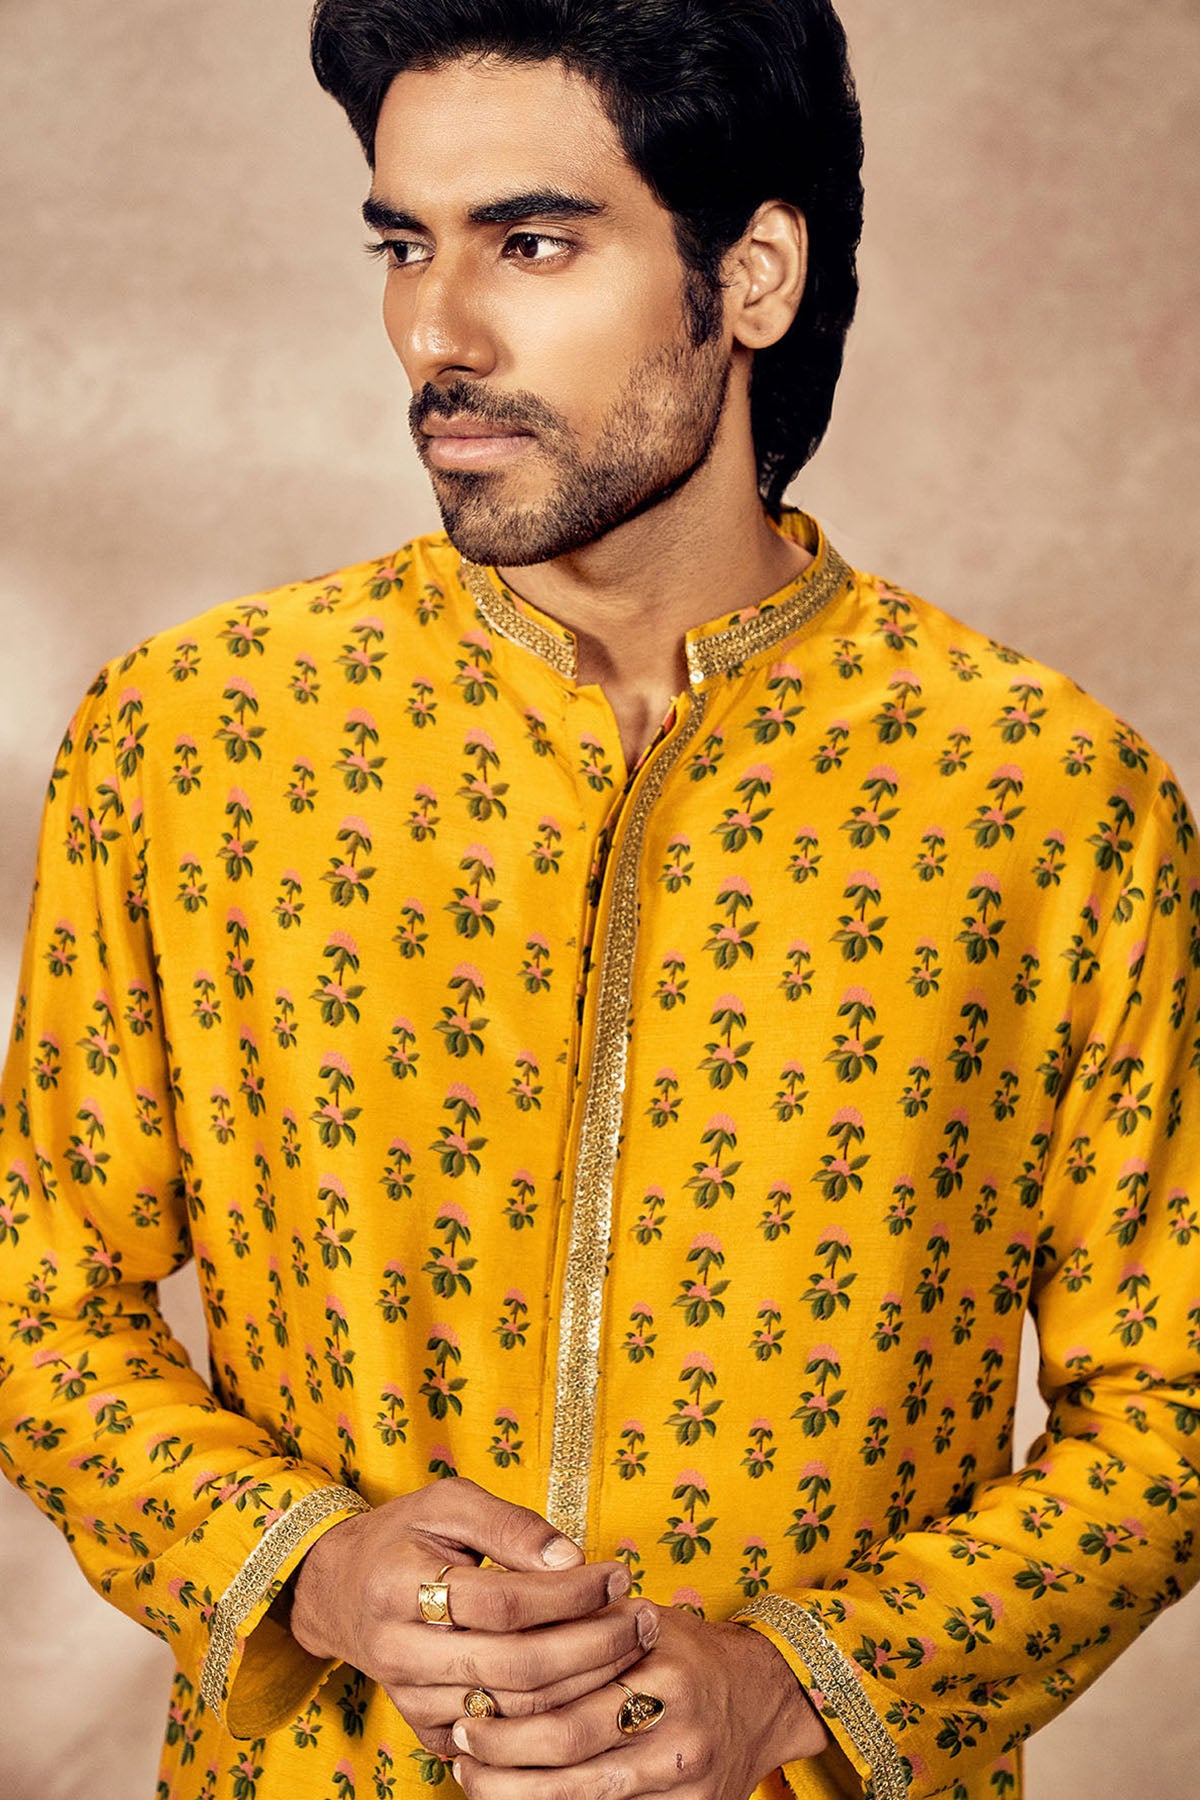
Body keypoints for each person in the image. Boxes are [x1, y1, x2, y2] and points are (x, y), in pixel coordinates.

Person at [1, 1, 1197, 1797]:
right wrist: (306, 1566)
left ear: (755, 275)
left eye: (533, 244)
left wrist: (794, 1685)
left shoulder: (1042, 798)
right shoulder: (204, 738)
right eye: (403, 246)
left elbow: (1172, 1408)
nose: (437, 331)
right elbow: (36, 1294)